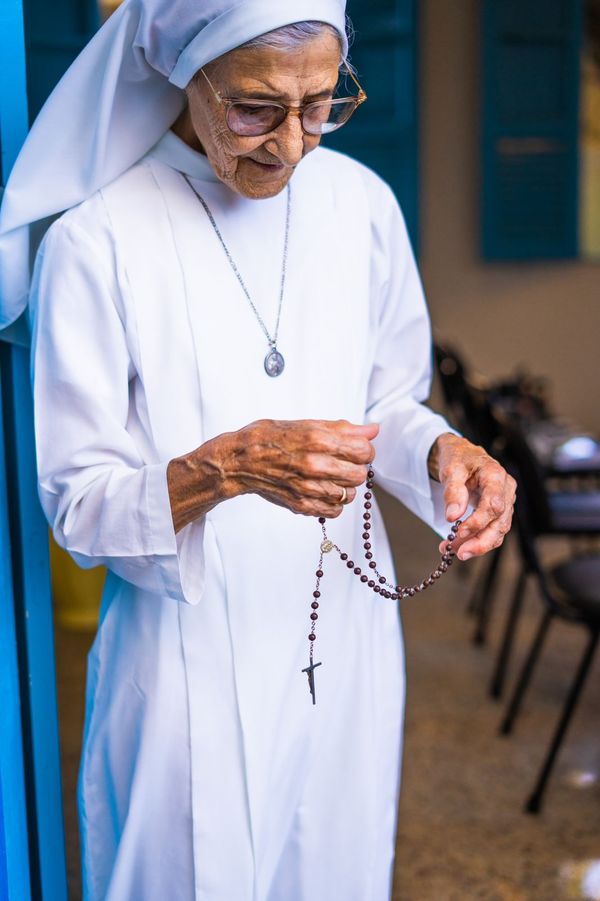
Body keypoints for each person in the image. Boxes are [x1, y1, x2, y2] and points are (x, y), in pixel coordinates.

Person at [0, 2, 516, 898]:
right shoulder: (98, 239)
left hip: (342, 638)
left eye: (320, 104)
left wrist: (439, 452)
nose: (290, 145)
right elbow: (79, 505)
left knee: (337, 868)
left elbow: (386, 399)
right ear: (184, 76)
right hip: (184, 654)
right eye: (254, 108)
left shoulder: (360, 206)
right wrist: (228, 465)